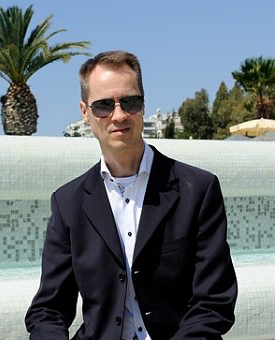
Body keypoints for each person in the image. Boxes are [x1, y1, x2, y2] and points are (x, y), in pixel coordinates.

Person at [25, 50, 237, 340]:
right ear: (85, 113)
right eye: (103, 105)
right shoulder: (67, 203)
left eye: (130, 101)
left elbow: (214, 302)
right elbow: (48, 309)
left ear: (143, 105)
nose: (119, 115)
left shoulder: (198, 190)